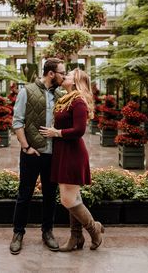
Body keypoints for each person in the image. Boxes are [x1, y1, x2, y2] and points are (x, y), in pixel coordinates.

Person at [39, 68, 104, 252]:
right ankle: (76, 237)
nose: (64, 76)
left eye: (67, 75)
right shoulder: (65, 100)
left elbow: (79, 130)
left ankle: (95, 230)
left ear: (75, 82)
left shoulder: (78, 102)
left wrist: (56, 132)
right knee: (74, 197)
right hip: (63, 151)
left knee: (68, 200)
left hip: (73, 153)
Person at [10, 58, 66, 255]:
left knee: (51, 196)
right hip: (32, 153)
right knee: (24, 195)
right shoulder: (27, 91)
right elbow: (17, 121)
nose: (64, 76)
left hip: (53, 154)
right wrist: (26, 147)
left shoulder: (61, 95)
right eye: (62, 72)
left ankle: (48, 232)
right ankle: (18, 234)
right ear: (51, 73)